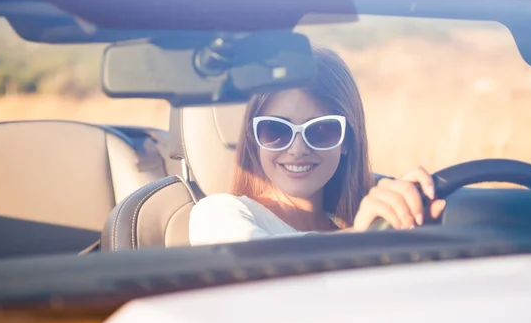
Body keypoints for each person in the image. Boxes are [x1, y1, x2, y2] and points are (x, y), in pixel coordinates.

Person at [189, 47, 446, 246]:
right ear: (255, 139)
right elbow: (255, 262)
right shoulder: (220, 212)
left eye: (322, 130)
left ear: (347, 140)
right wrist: (361, 239)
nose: (297, 149)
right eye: (276, 130)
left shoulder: (361, 226)